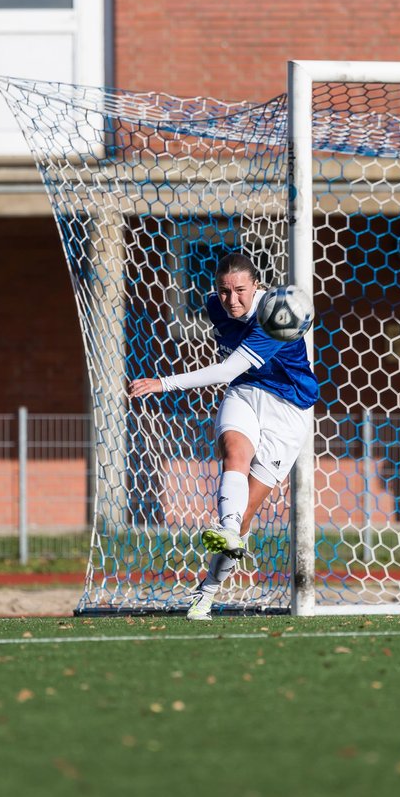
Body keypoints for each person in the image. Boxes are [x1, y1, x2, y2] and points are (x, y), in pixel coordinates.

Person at [127, 252, 319, 620]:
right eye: (225, 291)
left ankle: (208, 590)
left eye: (241, 291)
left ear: (257, 287)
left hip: (288, 409)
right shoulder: (215, 305)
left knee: (246, 512)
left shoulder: (277, 315)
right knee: (234, 453)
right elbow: (236, 374)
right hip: (245, 392)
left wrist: (162, 383)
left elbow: (227, 367)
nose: (232, 300)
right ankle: (226, 530)